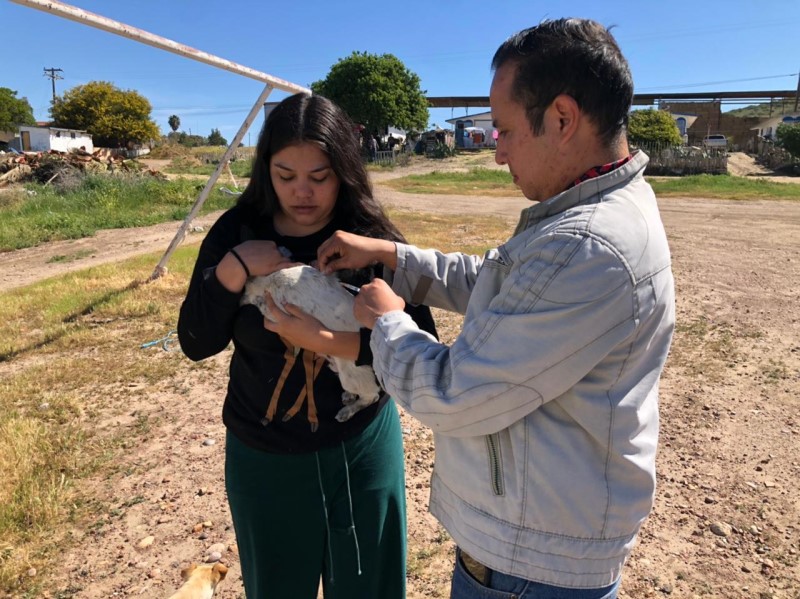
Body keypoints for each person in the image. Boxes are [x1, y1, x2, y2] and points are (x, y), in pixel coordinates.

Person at [273, 18, 675, 599]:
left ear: (562, 119)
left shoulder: (590, 245)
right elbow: (501, 280)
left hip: (530, 571)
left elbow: (453, 395)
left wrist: (387, 320)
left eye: (506, 131)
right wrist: (392, 255)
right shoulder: (590, 213)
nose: (497, 152)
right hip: (536, 546)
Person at [177, 92, 437, 599]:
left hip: (361, 447)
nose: (302, 192)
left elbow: (420, 347)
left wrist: (326, 340)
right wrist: (234, 267)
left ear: (344, 170)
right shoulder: (239, 230)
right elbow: (195, 340)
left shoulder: (369, 239)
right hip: (264, 455)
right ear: (264, 171)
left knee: (370, 586)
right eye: (284, 175)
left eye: (319, 176)